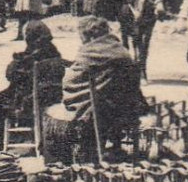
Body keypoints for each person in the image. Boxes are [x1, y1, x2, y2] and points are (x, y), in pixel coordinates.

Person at [59, 14, 149, 156]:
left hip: (101, 111)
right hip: (129, 107)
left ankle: (89, 151)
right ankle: (115, 145)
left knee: (87, 103)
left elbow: (70, 81)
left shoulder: (89, 52)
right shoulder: (121, 50)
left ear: (88, 35)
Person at [0, 19, 64, 151]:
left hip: (28, 102)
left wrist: (16, 60)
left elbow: (11, 75)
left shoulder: (32, 56)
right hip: (49, 98)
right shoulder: (53, 52)